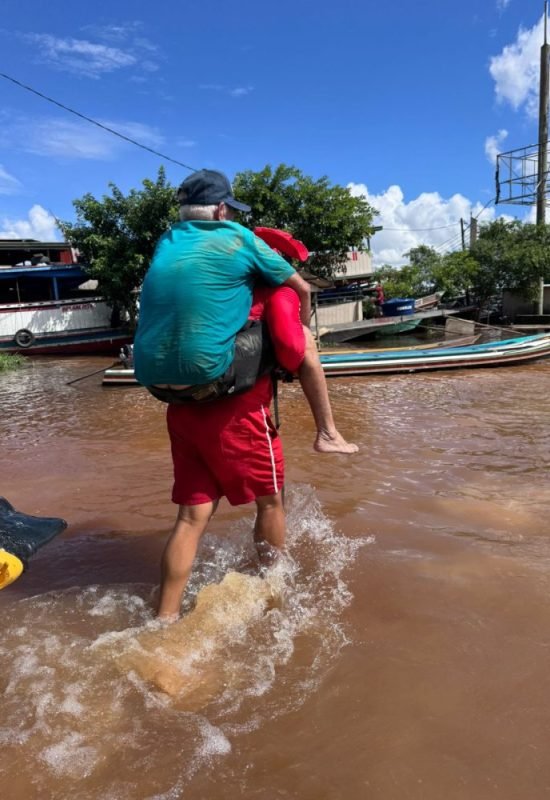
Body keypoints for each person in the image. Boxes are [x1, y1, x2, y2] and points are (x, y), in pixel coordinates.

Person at [133, 169, 353, 619]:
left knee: (191, 519)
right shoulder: (244, 247)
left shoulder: (170, 242)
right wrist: (303, 343)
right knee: (272, 500)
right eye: (230, 209)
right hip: (236, 413)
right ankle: (274, 598)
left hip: (176, 404)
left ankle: (165, 618)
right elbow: (294, 327)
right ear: (220, 210)